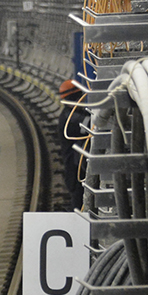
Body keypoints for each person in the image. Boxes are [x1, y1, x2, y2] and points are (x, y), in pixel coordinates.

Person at [59, 79, 90, 212]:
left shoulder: (73, 114)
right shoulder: (69, 118)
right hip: (76, 170)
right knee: (79, 205)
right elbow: (89, 124)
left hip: (78, 168)